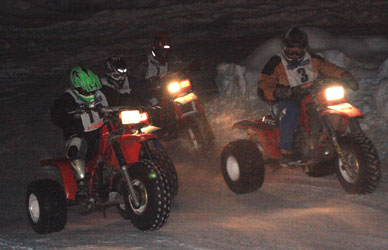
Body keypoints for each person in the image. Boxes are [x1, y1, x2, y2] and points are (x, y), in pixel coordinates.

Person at [257, 27, 359, 162]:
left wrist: (345, 75)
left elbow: (330, 68)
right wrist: (278, 92)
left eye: (298, 50)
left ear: (304, 48)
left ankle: (335, 138)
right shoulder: (276, 62)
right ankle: (286, 149)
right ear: (284, 47)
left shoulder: (313, 59)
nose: (294, 54)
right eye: (291, 50)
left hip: (310, 95)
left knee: (334, 102)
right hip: (284, 100)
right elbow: (264, 84)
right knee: (292, 110)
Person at [51, 66, 108, 207]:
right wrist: (68, 112)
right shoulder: (68, 98)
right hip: (81, 133)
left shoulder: (102, 93)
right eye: (86, 90)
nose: (90, 93)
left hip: (102, 130)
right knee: (76, 146)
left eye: (93, 89)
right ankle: (82, 185)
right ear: (77, 87)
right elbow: (56, 114)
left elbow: (120, 97)